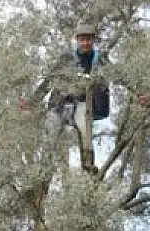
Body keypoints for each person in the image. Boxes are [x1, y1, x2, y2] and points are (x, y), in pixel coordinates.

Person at [21, 23, 112, 173]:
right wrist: (32, 101)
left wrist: (138, 92)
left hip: (82, 104)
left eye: (88, 39)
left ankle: (89, 168)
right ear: (77, 40)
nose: (85, 43)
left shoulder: (100, 59)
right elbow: (49, 81)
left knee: (85, 132)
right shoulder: (66, 58)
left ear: (93, 41)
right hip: (59, 105)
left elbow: (119, 75)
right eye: (82, 39)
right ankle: (42, 173)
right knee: (50, 139)